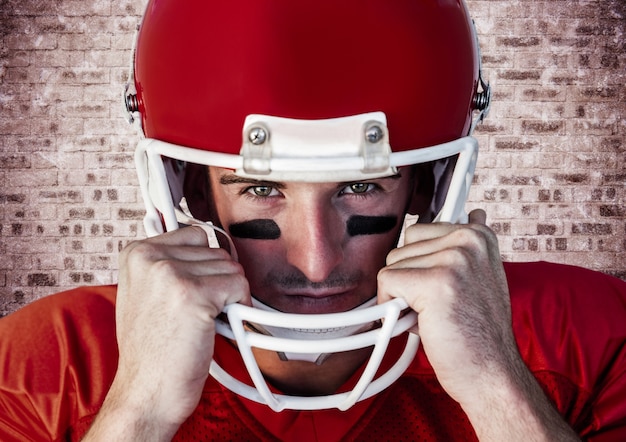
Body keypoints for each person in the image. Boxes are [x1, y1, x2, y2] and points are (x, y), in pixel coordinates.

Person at [1, 0, 625, 440]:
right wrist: (135, 414)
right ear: (192, 190)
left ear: (424, 186)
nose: (318, 262)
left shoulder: (588, 341)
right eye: (263, 188)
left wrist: (500, 390)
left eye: (359, 186)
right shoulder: (46, 370)